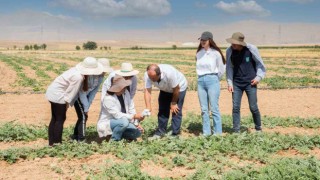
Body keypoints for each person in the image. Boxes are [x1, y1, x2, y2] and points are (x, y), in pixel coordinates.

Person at [45, 57, 103, 146]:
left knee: (55, 118)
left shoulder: (76, 71)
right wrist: (67, 103)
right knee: (60, 119)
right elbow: (71, 92)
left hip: (53, 92)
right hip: (59, 95)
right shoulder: (78, 77)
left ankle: (51, 143)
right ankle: (57, 143)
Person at [226, 32, 266, 133]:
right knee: (235, 107)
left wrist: (258, 78)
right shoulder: (229, 51)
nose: (232, 45)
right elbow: (229, 67)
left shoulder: (251, 49)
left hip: (250, 83)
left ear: (241, 43)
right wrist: (230, 83)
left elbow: (260, 64)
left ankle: (258, 128)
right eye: (232, 43)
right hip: (236, 84)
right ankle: (236, 131)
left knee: (253, 107)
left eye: (235, 43)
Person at [71, 58, 113, 142]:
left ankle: (75, 136)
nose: (104, 72)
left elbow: (93, 92)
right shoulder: (88, 75)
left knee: (82, 116)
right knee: (83, 116)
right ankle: (81, 139)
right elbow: (82, 93)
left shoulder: (100, 78)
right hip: (78, 96)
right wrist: (86, 107)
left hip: (86, 97)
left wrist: (88, 104)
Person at [144, 64, 188, 139]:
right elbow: (147, 91)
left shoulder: (170, 73)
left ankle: (175, 133)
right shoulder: (148, 75)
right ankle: (160, 131)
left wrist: (173, 103)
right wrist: (148, 107)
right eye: (150, 77)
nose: (151, 79)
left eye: (153, 78)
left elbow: (176, 89)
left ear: (159, 74)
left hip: (179, 87)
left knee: (175, 110)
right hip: (165, 88)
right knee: (162, 109)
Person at [196, 31, 226, 136]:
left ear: (210, 40)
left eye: (205, 40)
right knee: (204, 109)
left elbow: (222, 69)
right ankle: (206, 133)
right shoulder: (198, 53)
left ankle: (218, 133)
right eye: (201, 40)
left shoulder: (216, 53)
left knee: (214, 108)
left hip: (212, 80)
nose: (202, 41)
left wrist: (215, 79)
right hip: (200, 81)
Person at [97, 75, 144, 141]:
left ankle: (114, 135)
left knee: (137, 133)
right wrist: (134, 116)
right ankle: (114, 140)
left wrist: (136, 123)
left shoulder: (126, 93)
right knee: (124, 122)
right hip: (110, 122)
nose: (125, 88)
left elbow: (131, 108)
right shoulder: (108, 99)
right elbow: (117, 115)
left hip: (123, 121)